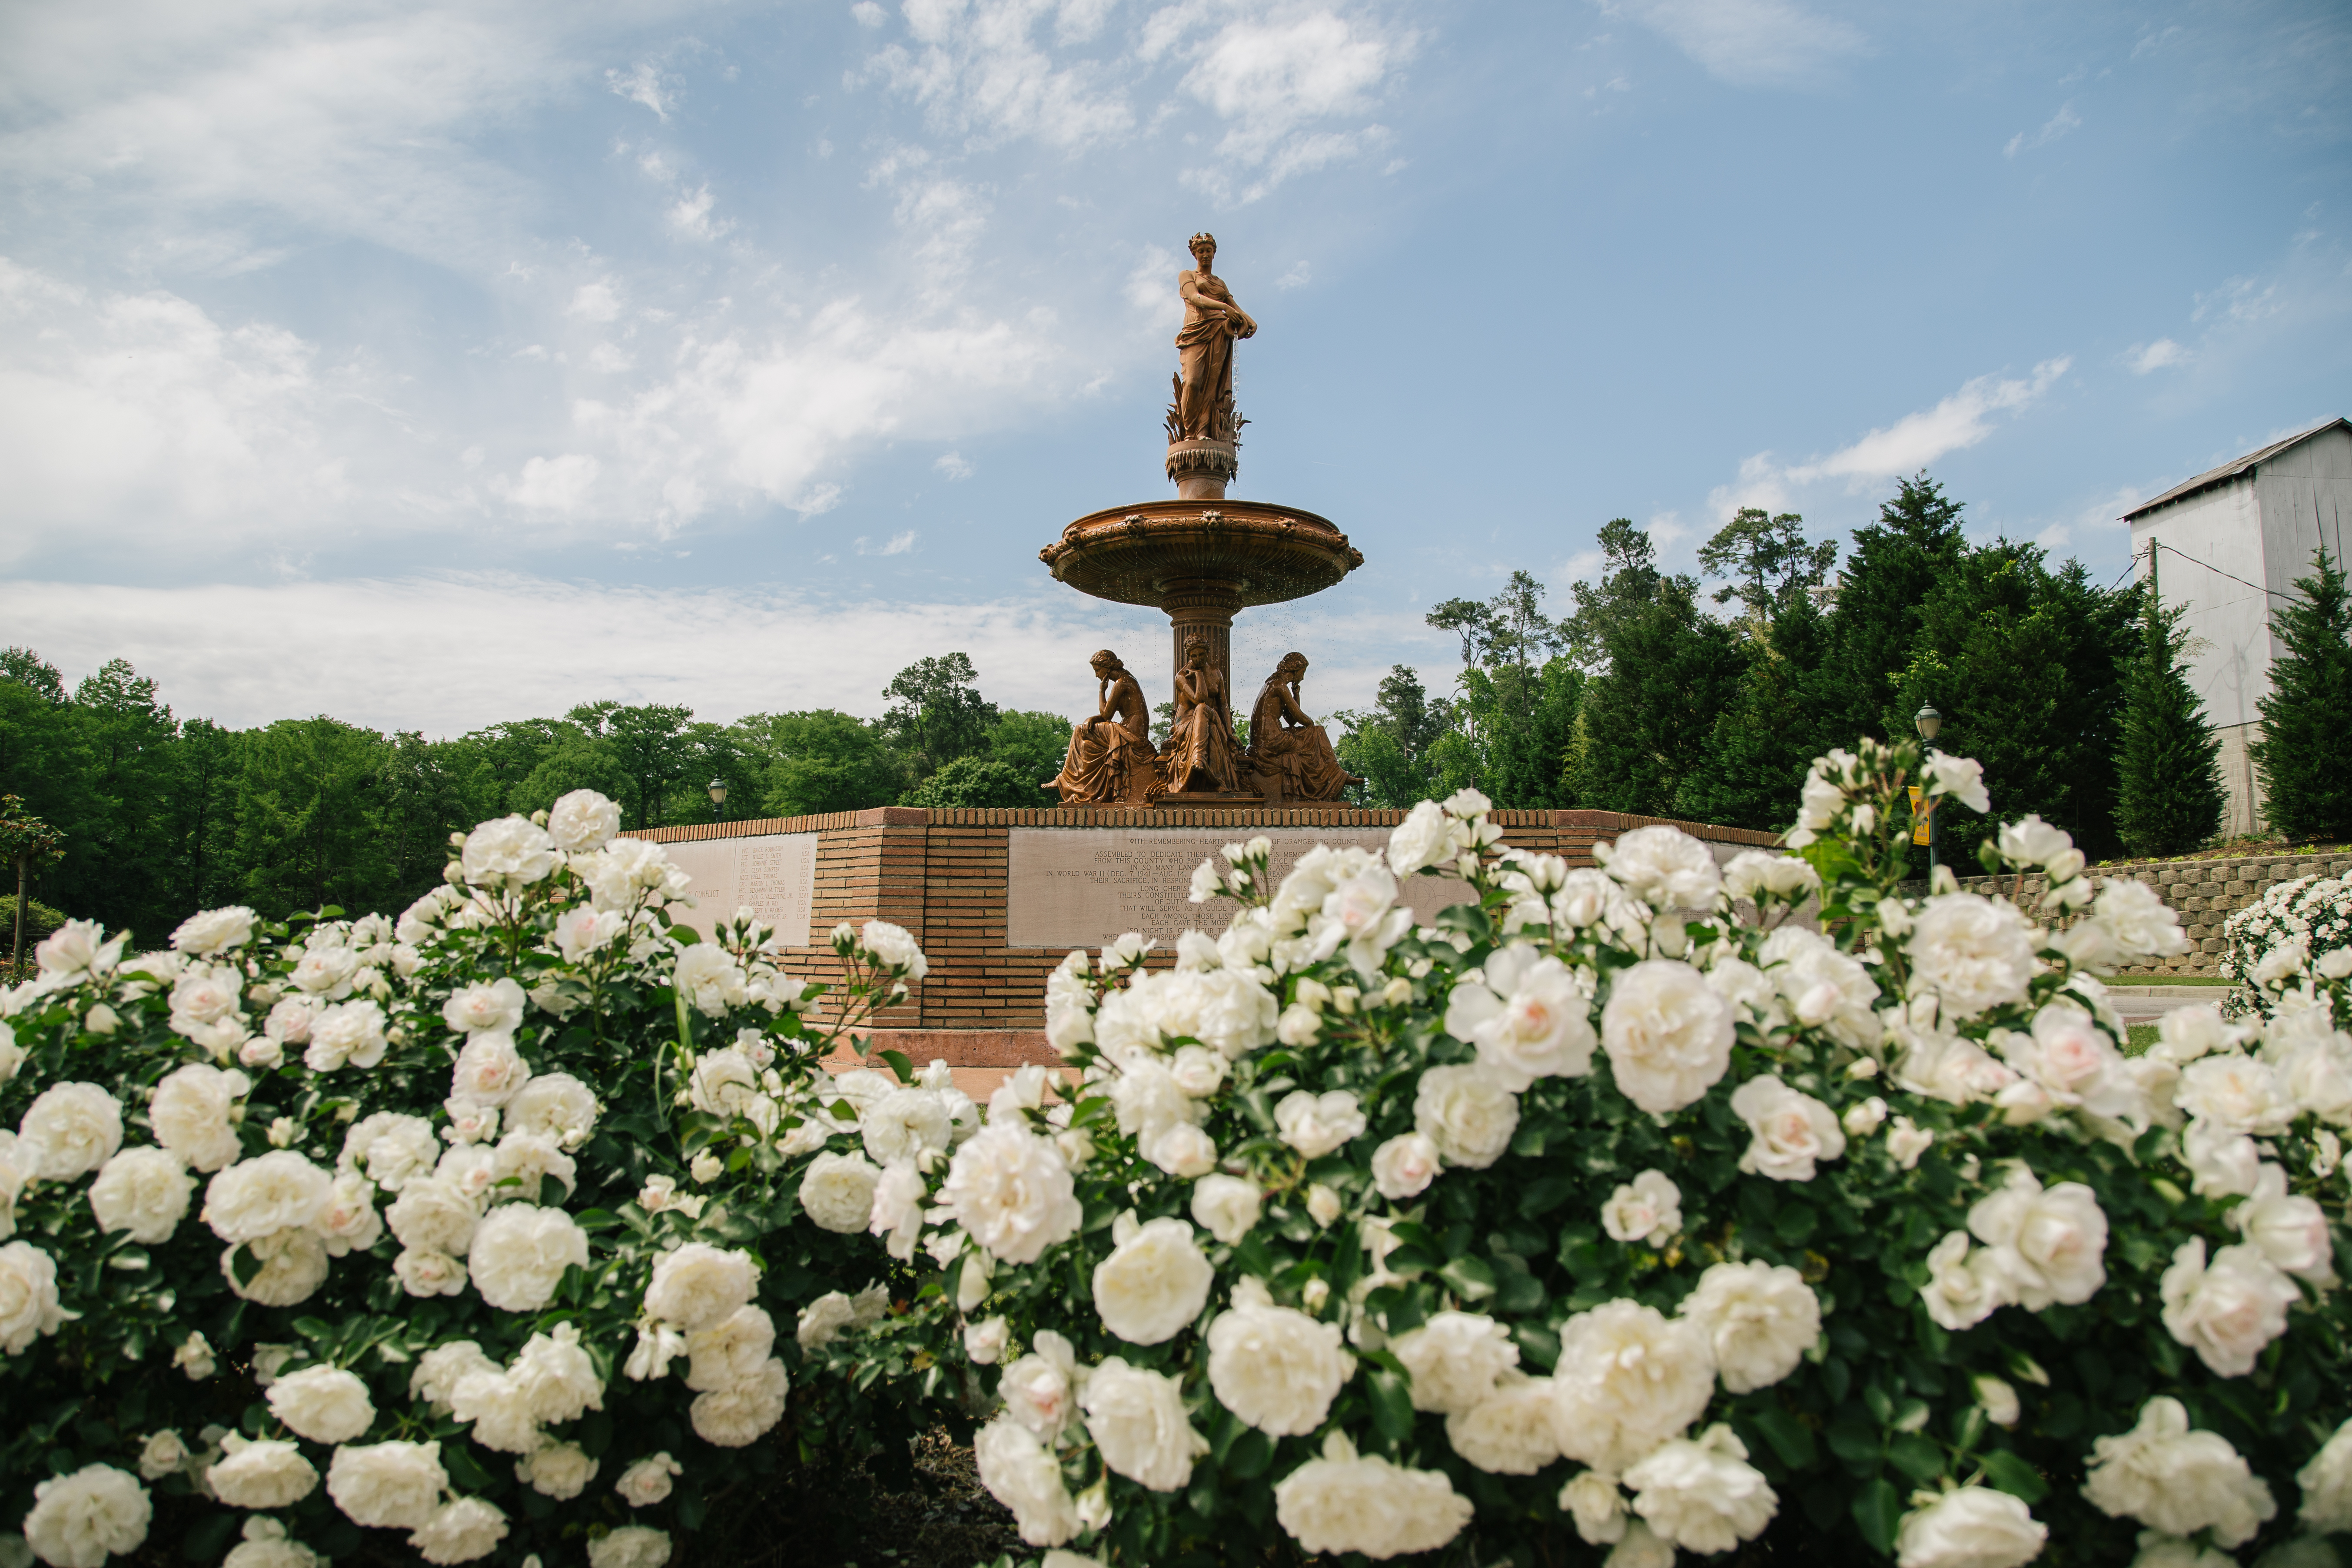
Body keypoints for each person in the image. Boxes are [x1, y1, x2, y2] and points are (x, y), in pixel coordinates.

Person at [1173, 233, 1256, 442]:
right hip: (1196, 332)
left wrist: (1249, 320)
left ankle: (1203, 430)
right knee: (1192, 382)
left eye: (1209, 251)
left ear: (1214, 253)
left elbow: (1235, 308)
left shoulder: (1220, 283)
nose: (1205, 255)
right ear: (1194, 254)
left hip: (1220, 332)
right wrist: (1224, 308)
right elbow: (1195, 298)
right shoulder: (1187, 275)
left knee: (1212, 385)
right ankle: (1190, 432)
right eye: (1201, 251)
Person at [1244, 652, 1360, 803]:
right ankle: (1332, 779)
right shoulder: (1279, 685)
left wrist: (1296, 695)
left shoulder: (1274, 683)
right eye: (1303, 672)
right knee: (1315, 738)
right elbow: (1300, 717)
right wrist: (1312, 727)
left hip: (1269, 737)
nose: (1303, 678)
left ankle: (1336, 775)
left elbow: (1291, 721)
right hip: (1270, 740)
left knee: (1314, 736)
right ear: (1295, 670)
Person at [1044, 650, 1156, 805]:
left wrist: (1101, 691)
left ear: (1107, 667)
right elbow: (1107, 715)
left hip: (1131, 734)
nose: (1097, 675)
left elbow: (1106, 715)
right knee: (1089, 742)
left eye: (1098, 670)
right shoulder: (1127, 679)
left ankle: (1065, 780)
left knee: (1079, 732)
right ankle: (1086, 790)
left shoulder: (1121, 683)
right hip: (1128, 729)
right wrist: (1092, 719)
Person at [1160, 634, 1240, 794]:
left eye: (1202, 654)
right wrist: (1198, 675)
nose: (1198, 659)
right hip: (1187, 722)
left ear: (1208, 652)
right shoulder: (1181, 677)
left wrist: (1230, 732)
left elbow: (1223, 704)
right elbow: (1200, 699)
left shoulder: (1216, 673)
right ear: (1188, 656)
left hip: (1210, 715)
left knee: (1205, 712)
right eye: (1194, 656)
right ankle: (1215, 778)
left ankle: (1199, 756)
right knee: (1207, 721)